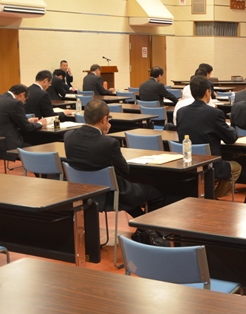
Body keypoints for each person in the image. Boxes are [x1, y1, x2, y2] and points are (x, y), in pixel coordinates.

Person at [64, 99, 168, 243]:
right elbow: (125, 170)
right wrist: (104, 137)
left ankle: (143, 227)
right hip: (110, 195)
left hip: (83, 193)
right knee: (156, 193)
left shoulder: (68, 137)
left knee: (131, 197)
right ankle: (148, 232)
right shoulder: (108, 143)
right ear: (104, 119)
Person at [176, 76, 241, 198]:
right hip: (210, 164)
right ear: (208, 92)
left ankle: (206, 196)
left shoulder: (181, 112)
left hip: (187, 161)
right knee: (236, 168)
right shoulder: (214, 113)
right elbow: (231, 138)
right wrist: (231, 127)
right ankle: (212, 197)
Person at [0, 84, 46, 150]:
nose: (24, 103)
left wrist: (27, 121)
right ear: (22, 94)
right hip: (3, 141)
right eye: (25, 100)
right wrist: (40, 123)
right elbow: (27, 128)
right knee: (38, 145)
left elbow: (4, 119)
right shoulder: (15, 103)